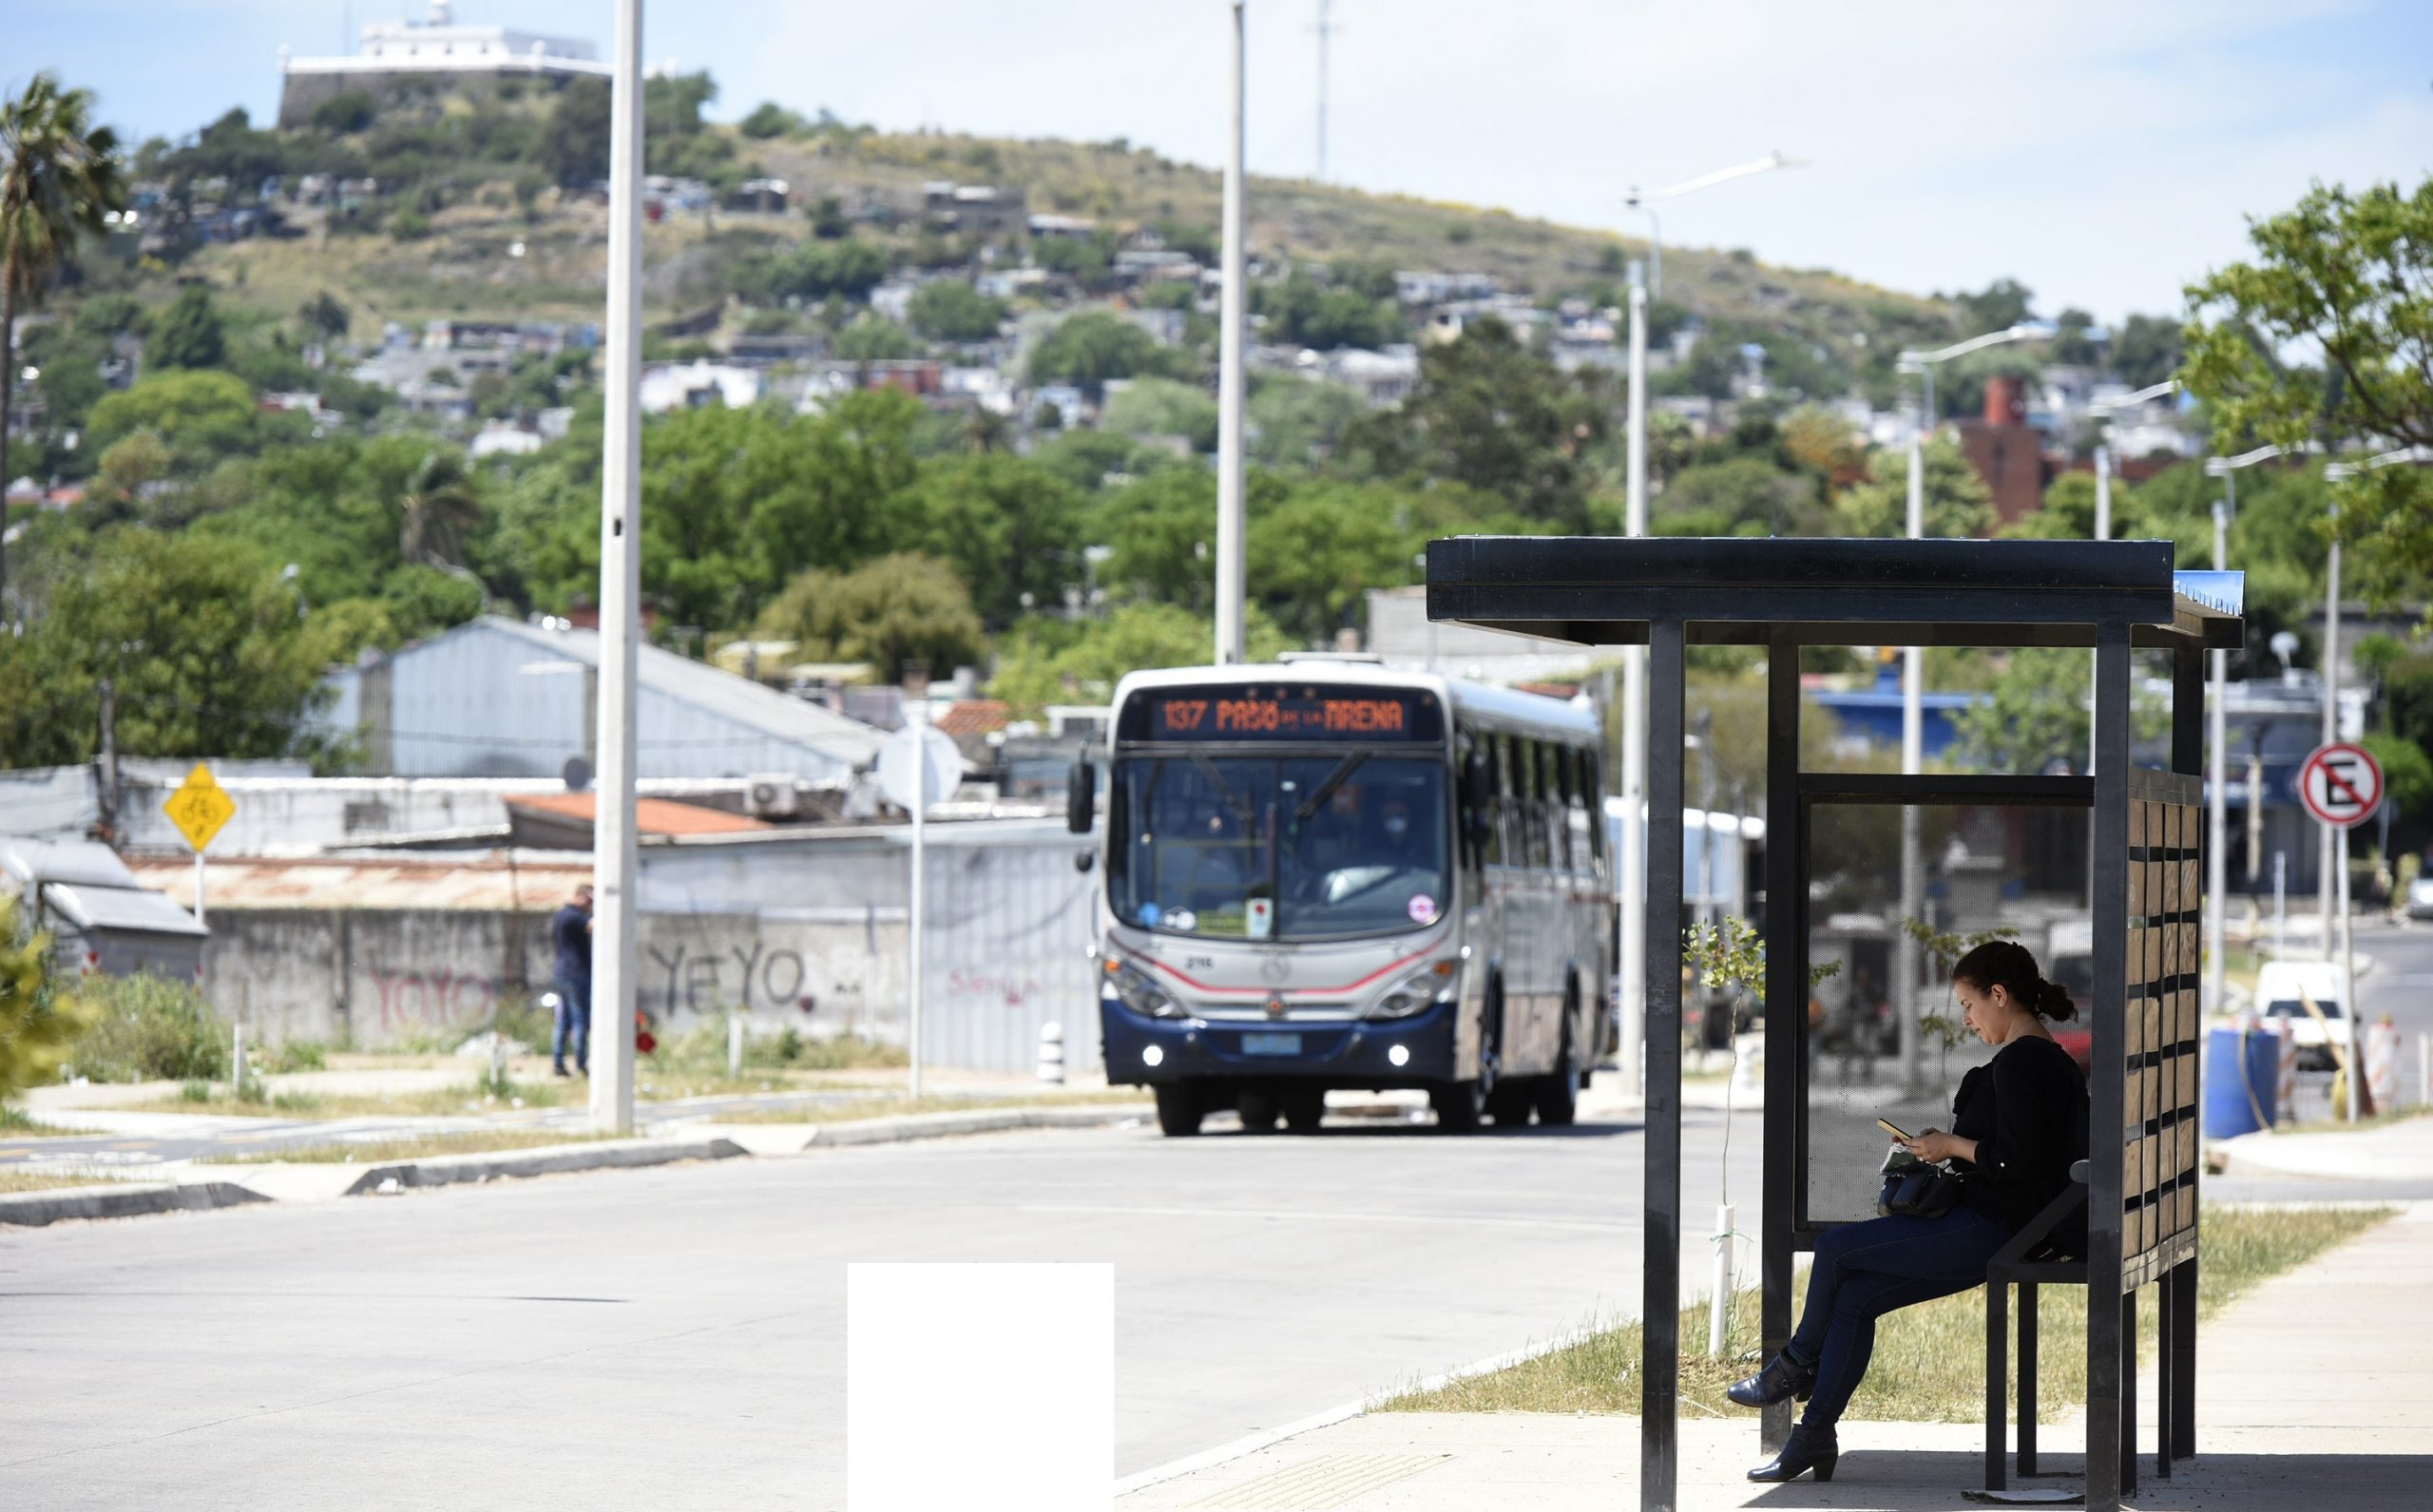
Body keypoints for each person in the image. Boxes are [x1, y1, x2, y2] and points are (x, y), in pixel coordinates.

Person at [1726, 939, 2089, 1484]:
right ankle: (1813, 1437)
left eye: (1968, 1005)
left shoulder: (2020, 1063)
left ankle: (1792, 1366)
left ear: (1999, 994)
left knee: (1832, 1250)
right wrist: (1947, 1145)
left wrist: (1952, 1147)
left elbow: (2014, 1161)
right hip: (2013, 1225)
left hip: (1995, 1231)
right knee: (1853, 1298)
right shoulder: (2050, 1058)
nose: (1966, 1019)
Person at [550, 884, 594, 1078]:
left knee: (563, 1020)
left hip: (562, 973)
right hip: (576, 974)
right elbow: (593, 925)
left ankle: (558, 1062)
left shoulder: (561, 914)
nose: (590, 905)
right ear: (580, 897)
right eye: (589, 900)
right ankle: (580, 1063)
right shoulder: (574, 916)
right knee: (579, 1020)